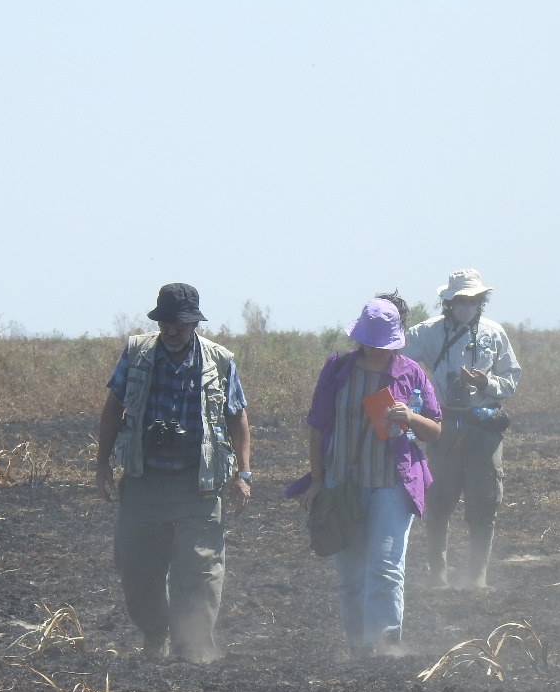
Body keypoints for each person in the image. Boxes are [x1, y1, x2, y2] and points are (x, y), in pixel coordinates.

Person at [96, 283, 252, 664]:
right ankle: (155, 632)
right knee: (136, 569)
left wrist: (243, 474)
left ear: (194, 323)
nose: (171, 331)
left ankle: (192, 645)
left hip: (197, 485)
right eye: (165, 323)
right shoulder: (136, 354)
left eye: (179, 325)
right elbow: (113, 408)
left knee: (200, 569)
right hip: (143, 481)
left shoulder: (219, 360)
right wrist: (101, 464)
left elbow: (237, 417)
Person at [285, 294, 441, 659]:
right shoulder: (338, 368)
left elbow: (434, 430)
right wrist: (319, 481)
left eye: (382, 345)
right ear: (359, 339)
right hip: (343, 483)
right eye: (369, 343)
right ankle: (359, 647)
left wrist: (409, 417)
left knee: (385, 567)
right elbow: (317, 427)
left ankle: (388, 645)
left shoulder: (411, 374)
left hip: (391, 483)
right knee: (351, 575)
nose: (375, 351)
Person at [403, 269, 521, 589]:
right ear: (449, 302)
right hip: (446, 424)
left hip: (484, 425)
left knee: (484, 499)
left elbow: (511, 379)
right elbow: (394, 357)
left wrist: (487, 382)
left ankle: (476, 577)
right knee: (439, 498)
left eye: (473, 301)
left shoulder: (495, 333)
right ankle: (437, 575)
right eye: (460, 301)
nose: (466, 307)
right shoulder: (427, 332)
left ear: (481, 301)